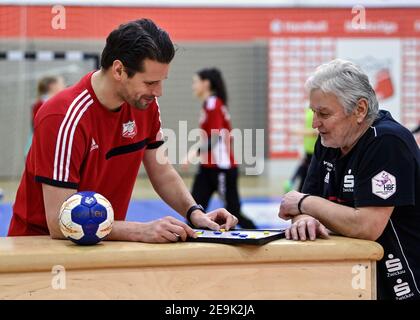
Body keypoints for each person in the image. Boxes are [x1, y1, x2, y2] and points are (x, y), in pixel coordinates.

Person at [8, 19, 238, 243]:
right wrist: (138, 230)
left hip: (100, 242)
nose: (159, 92)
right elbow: (60, 221)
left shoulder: (145, 105)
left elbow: (162, 172)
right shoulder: (62, 116)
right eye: (150, 83)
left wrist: (195, 213)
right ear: (119, 70)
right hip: (41, 248)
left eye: (161, 81)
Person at [278, 59, 420, 300]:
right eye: (314, 112)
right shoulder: (329, 142)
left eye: (324, 113)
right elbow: (305, 202)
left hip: (402, 282)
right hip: (355, 280)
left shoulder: (386, 142)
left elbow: (366, 226)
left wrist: (304, 205)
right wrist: (303, 219)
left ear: (360, 110)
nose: (315, 123)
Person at [183, 68, 256, 229]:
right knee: (193, 210)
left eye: (195, 82)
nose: (193, 86)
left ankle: (257, 235)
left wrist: (193, 152)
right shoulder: (211, 103)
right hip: (207, 168)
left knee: (234, 213)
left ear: (206, 83)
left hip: (221, 168)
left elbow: (215, 138)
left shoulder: (213, 103)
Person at [24, 75, 66, 155]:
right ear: (52, 86)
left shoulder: (52, 102)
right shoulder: (41, 104)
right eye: (61, 84)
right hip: (38, 148)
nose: (64, 86)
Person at [283, 107, 317, 192]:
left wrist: (298, 132)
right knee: (304, 171)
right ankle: (293, 184)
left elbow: (315, 132)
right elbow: (307, 126)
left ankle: (292, 182)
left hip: (316, 150)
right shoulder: (308, 110)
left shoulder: (318, 110)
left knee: (305, 171)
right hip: (308, 149)